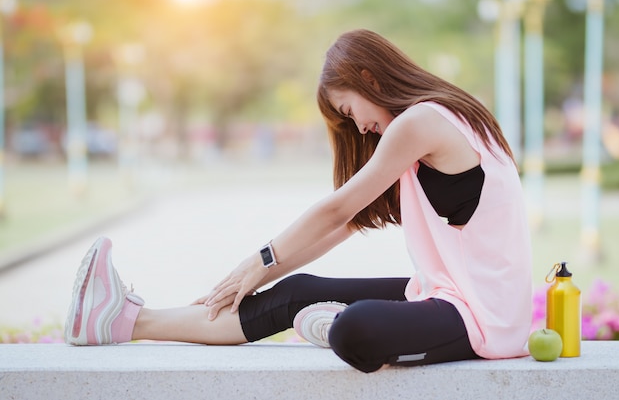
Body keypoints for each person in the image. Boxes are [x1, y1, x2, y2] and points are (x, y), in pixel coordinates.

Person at [64, 29, 532, 373]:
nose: (360, 128)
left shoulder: (422, 122)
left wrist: (261, 258)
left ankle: (336, 326)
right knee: (298, 291)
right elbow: (340, 228)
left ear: (369, 78)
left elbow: (337, 209)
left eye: (350, 112)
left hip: (483, 319)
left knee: (357, 328)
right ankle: (125, 320)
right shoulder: (422, 130)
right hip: (445, 295)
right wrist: (264, 276)